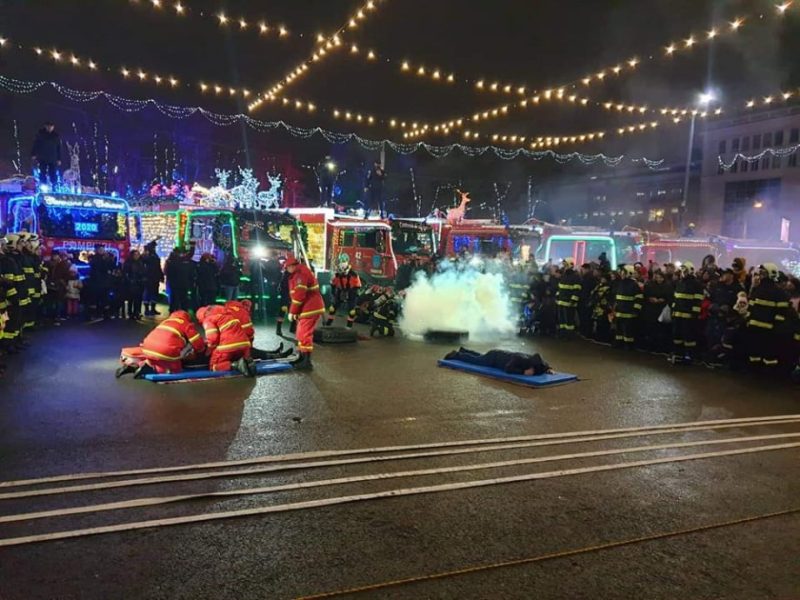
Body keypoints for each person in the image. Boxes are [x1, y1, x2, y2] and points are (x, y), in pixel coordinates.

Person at [119, 310, 207, 378]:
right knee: (175, 369)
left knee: (155, 359)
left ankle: (134, 367)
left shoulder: (166, 322)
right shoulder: (186, 324)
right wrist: (202, 350)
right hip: (165, 350)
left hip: (147, 347)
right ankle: (151, 369)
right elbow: (198, 343)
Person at [745, 263, 791, 370]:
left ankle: (760, 372)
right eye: (760, 273)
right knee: (761, 354)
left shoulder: (774, 292)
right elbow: (751, 307)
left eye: (763, 273)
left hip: (764, 329)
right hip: (764, 329)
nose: (760, 275)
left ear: (771, 274)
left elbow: (782, 312)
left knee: (762, 355)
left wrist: (776, 326)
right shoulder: (777, 292)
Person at [285, 254, 325, 370]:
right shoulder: (299, 273)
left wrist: (292, 311)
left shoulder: (300, 275)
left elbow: (299, 295)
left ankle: (306, 361)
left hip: (310, 308)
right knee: (301, 333)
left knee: (304, 334)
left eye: (287, 267)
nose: (287, 270)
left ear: (292, 266)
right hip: (307, 308)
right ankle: (302, 357)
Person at [196, 304, 255, 376]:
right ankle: (247, 362)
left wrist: (209, 348)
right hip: (245, 344)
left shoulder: (208, 319)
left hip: (228, 345)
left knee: (214, 366)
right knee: (236, 355)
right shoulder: (229, 315)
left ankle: (236, 365)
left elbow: (213, 339)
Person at [671, 261, 704, 364]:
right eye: (682, 270)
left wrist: (694, 314)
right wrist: (673, 310)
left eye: (685, 270)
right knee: (677, 336)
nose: (683, 272)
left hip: (689, 316)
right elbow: (676, 298)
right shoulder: (680, 282)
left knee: (689, 337)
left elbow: (698, 300)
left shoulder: (696, 284)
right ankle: (678, 354)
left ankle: (689, 356)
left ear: (690, 271)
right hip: (678, 315)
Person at [444, 347, 554, 376]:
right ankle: (456, 355)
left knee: (481, 357)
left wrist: (548, 369)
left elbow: (544, 365)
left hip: (497, 354)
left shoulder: (537, 362)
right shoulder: (520, 359)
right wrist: (522, 372)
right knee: (476, 361)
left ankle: (464, 350)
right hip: (494, 358)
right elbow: (508, 369)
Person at [326, 254, 362, 328]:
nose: (342, 264)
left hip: (351, 292)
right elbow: (333, 284)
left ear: (347, 262)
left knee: (352, 311)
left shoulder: (354, 274)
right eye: (341, 262)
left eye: (344, 262)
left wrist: (352, 295)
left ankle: (349, 326)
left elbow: (357, 286)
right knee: (332, 308)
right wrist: (334, 293)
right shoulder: (337, 274)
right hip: (340, 291)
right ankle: (328, 323)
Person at [641, 269, 673, 352]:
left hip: (662, 310)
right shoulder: (650, 285)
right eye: (657, 277)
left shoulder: (667, 286)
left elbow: (670, 298)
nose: (659, 279)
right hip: (651, 310)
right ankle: (652, 346)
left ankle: (661, 347)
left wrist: (662, 300)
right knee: (652, 329)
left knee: (661, 329)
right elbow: (645, 295)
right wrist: (650, 299)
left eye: (660, 277)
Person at [613, 265, 643, 349]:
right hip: (619, 311)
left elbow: (639, 298)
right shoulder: (620, 283)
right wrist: (615, 307)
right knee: (619, 328)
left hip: (629, 312)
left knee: (628, 329)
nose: (621, 273)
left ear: (629, 273)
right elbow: (617, 296)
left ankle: (628, 344)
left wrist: (636, 310)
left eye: (623, 272)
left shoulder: (634, 284)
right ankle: (619, 342)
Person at [555, 258, 581, 337]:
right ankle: (562, 333)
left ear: (570, 265)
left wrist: (572, 301)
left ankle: (569, 334)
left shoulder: (575, 277)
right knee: (562, 320)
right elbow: (560, 288)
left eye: (565, 265)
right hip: (561, 302)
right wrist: (557, 297)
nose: (564, 267)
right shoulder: (563, 276)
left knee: (569, 320)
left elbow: (577, 290)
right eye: (564, 265)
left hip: (569, 303)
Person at [30, 121, 62, 185]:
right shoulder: (40, 135)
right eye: (48, 126)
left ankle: (54, 186)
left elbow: (59, 148)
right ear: (45, 126)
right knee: (42, 172)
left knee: (53, 173)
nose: (50, 128)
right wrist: (33, 154)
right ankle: (43, 185)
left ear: (53, 127)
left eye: (51, 126)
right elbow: (35, 145)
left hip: (53, 158)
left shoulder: (56, 136)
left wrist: (59, 159)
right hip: (42, 157)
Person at [88, 244, 114, 319]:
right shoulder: (94, 259)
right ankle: (93, 314)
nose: (102, 251)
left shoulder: (107, 258)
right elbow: (95, 268)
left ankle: (106, 314)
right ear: (96, 250)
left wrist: (109, 259)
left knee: (105, 299)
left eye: (103, 249)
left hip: (105, 282)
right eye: (100, 249)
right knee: (94, 299)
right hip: (96, 282)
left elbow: (111, 267)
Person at [123, 250, 147, 320]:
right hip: (132, 284)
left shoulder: (141, 263)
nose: (136, 256)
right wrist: (130, 280)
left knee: (138, 299)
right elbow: (126, 273)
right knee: (131, 299)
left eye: (138, 255)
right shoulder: (128, 263)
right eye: (135, 255)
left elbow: (143, 272)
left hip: (139, 283)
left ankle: (137, 312)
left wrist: (143, 279)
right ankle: (130, 313)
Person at [142, 241, 164, 316]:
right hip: (148, 277)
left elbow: (158, 267)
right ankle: (147, 309)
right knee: (148, 293)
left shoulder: (155, 256)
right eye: (153, 247)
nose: (154, 248)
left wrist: (161, 276)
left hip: (155, 277)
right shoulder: (146, 256)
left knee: (154, 293)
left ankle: (153, 309)